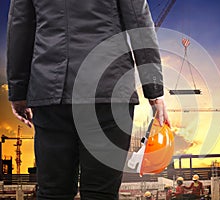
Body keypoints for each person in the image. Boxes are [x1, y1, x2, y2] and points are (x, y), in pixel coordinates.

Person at [6, 0, 170, 199]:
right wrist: (154, 90)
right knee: (101, 193)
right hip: (108, 92)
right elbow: (139, 24)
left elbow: (20, 28)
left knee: (52, 191)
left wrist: (18, 92)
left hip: (51, 91)